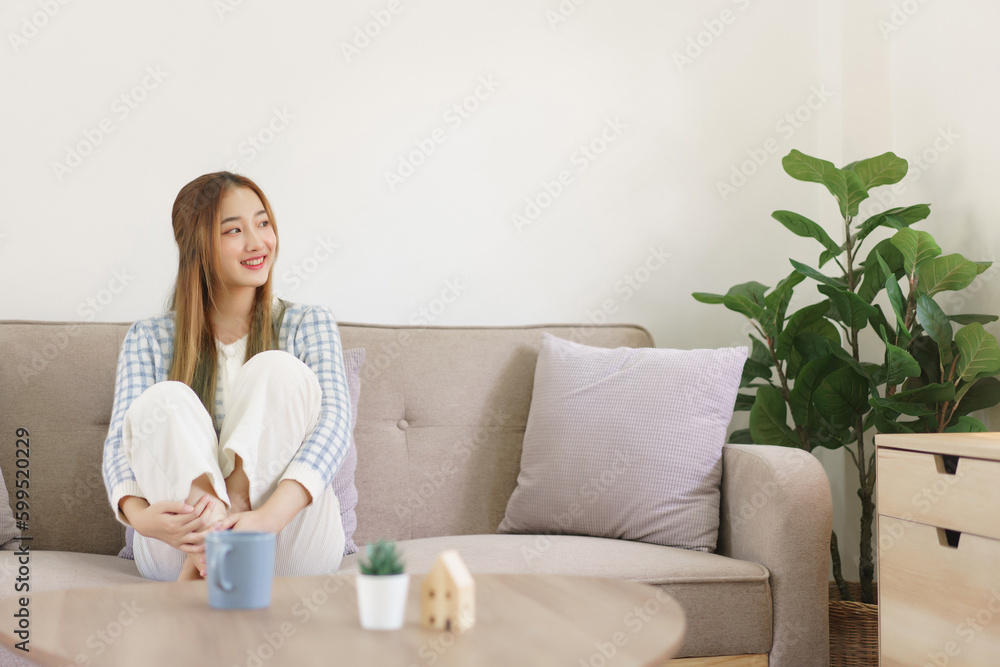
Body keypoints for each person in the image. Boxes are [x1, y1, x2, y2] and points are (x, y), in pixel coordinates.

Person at [101, 172, 350, 582]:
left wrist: (265, 518)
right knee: (165, 400)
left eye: (263, 223)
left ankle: (214, 554)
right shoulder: (148, 338)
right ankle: (214, 549)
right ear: (197, 247)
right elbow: (119, 445)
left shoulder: (307, 323)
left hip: (285, 540)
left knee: (278, 368)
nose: (257, 242)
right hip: (176, 544)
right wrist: (142, 518)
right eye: (234, 230)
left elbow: (335, 426)